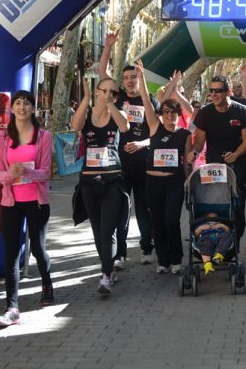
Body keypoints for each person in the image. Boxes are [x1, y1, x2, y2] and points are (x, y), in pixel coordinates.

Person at [0, 90, 54, 327]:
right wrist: (11, 174)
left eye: (26, 104)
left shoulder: (43, 136)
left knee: (38, 249)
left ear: (33, 108)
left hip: (37, 201)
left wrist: (29, 172)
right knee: (11, 253)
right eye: (18, 103)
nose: (22, 107)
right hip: (11, 202)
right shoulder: (2, 137)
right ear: (12, 108)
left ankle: (47, 284)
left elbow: (46, 171)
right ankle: (12, 306)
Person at [97, 32, 158, 268]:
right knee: (120, 211)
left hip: (144, 165)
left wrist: (142, 144)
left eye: (134, 77)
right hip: (118, 166)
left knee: (144, 210)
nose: (131, 81)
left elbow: (158, 135)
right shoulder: (118, 96)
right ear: (122, 81)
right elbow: (103, 74)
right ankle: (120, 254)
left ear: (139, 78)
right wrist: (108, 46)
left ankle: (146, 248)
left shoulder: (149, 100)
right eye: (127, 77)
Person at [71, 76, 129, 296]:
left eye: (113, 93)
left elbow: (124, 127)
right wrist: (85, 99)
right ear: (97, 91)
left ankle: (105, 275)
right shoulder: (86, 114)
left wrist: (111, 104)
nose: (108, 95)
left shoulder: (117, 114)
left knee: (107, 230)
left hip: (113, 180)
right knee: (98, 232)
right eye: (105, 91)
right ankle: (109, 268)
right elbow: (75, 126)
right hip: (88, 181)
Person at [135, 61, 193, 274]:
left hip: (174, 183)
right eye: (166, 112)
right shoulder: (154, 126)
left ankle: (176, 259)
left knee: (171, 221)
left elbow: (187, 161)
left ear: (178, 114)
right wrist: (141, 77)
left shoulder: (184, 135)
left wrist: (188, 181)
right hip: (153, 183)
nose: (170, 115)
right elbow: (145, 100)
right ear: (162, 114)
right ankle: (163, 260)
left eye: (173, 112)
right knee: (157, 223)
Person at [192, 76, 246, 244]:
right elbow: (199, 142)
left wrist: (236, 154)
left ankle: (235, 245)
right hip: (214, 171)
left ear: (229, 92)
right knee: (217, 209)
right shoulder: (205, 112)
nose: (214, 94)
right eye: (211, 91)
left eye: (218, 91)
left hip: (237, 169)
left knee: (238, 210)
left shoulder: (241, 111)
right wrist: (194, 152)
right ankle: (217, 244)